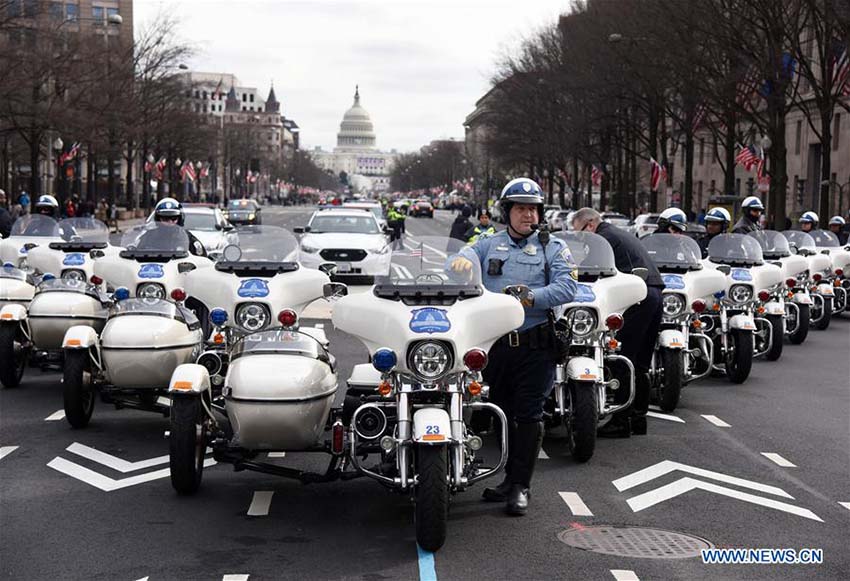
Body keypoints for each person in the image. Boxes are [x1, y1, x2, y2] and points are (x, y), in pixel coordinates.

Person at [451, 178, 577, 516]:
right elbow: (464, 253)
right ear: (507, 212)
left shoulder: (553, 247)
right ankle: (507, 479)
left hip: (535, 345)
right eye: (520, 208)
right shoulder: (488, 244)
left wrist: (532, 296)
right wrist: (461, 259)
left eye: (533, 208)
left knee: (528, 414)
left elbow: (567, 288)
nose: (527, 215)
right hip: (496, 346)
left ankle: (521, 486)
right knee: (501, 414)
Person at [570, 207, 664, 438]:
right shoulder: (616, 233)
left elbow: (589, 272)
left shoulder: (602, 238)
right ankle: (638, 418)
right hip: (654, 291)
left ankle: (621, 421)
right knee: (640, 363)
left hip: (636, 297)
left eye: (580, 232)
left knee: (621, 358)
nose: (581, 238)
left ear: (590, 224)